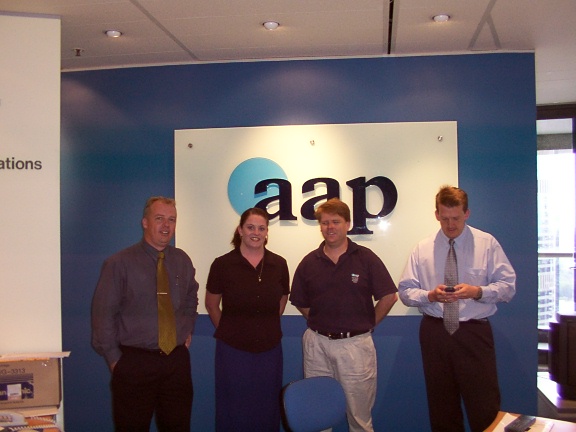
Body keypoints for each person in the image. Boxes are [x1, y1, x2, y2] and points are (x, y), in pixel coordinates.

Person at [398, 185, 516, 432]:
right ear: (436, 215)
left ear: (467, 213)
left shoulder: (487, 244)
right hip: (435, 332)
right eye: (444, 218)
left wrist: (478, 292)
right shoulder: (422, 248)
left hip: (474, 333)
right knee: (441, 407)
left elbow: (508, 286)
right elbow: (406, 292)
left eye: (456, 218)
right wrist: (430, 295)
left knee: (484, 406)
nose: (450, 224)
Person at [91, 196, 199, 432]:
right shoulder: (119, 263)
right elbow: (103, 314)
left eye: (171, 220)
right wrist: (114, 359)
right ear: (145, 222)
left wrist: (187, 326)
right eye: (159, 219)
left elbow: (192, 296)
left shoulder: (182, 260)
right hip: (134, 362)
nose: (166, 226)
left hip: (176, 362)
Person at [290, 198, 398, 432]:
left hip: (355, 346)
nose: (330, 227)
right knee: (317, 417)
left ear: (348, 224)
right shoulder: (309, 262)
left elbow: (389, 296)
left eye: (336, 222)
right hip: (317, 345)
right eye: (325, 222)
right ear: (320, 226)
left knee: (359, 418)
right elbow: (299, 302)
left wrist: (367, 325)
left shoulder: (365, 258)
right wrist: (321, 322)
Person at [205, 207, 290, 432]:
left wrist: (265, 325)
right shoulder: (222, 264)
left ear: (267, 232)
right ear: (240, 230)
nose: (256, 232)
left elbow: (282, 298)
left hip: (270, 349)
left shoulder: (279, 264)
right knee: (233, 406)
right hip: (232, 350)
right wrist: (229, 331)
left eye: (261, 228)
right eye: (250, 227)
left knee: (267, 405)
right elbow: (211, 304)